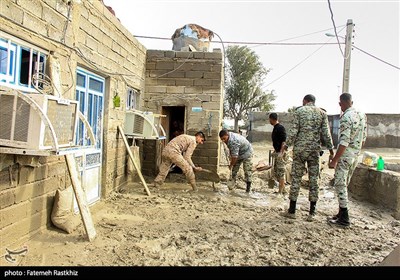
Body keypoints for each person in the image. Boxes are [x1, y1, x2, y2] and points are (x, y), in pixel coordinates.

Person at [282, 94, 334, 221]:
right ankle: (312, 212)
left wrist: (286, 145)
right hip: (314, 151)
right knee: (314, 180)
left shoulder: (299, 111)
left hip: (300, 150)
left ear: (305, 101)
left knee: (296, 179)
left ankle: (292, 211)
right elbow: (326, 134)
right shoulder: (322, 113)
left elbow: (294, 131)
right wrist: (331, 150)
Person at [328, 93, 367, 227]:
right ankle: (340, 213)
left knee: (340, 184)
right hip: (355, 155)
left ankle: (344, 218)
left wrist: (335, 160)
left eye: (340, 103)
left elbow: (344, 141)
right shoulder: (362, 115)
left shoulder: (346, 117)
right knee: (345, 183)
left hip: (345, 156)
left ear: (341, 103)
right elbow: (363, 138)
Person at [269, 113, 288, 195]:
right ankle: (283, 190)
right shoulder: (275, 128)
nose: (269, 121)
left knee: (281, 172)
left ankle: (280, 191)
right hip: (277, 152)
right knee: (277, 171)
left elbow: (284, 141)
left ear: (272, 119)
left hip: (281, 153)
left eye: (269, 119)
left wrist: (281, 152)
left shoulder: (280, 128)